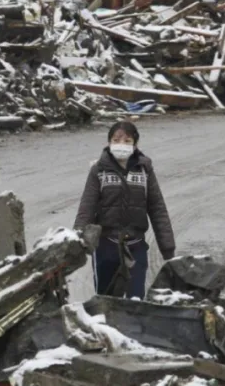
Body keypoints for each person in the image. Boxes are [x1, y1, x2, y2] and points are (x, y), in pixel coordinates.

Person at [74, 121, 176, 299]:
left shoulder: (144, 170)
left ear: (135, 144)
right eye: (116, 140)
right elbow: (87, 207)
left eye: (127, 141)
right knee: (105, 299)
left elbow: (157, 207)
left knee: (135, 299)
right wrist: (76, 243)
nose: (121, 144)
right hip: (105, 245)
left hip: (135, 245)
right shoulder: (98, 170)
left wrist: (167, 247)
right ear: (109, 142)